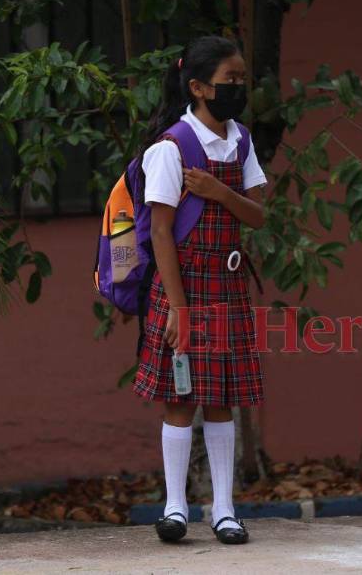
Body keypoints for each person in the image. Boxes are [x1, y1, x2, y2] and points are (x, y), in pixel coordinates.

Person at [131, 35, 267, 545]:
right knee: (179, 397)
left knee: (222, 399)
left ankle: (224, 511)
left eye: (242, 79)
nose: (239, 88)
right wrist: (178, 308)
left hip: (226, 287)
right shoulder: (172, 148)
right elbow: (160, 231)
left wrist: (218, 191)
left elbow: (258, 214)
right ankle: (174, 508)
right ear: (197, 87)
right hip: (182, 289)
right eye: (230, 80)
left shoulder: (241, 141)